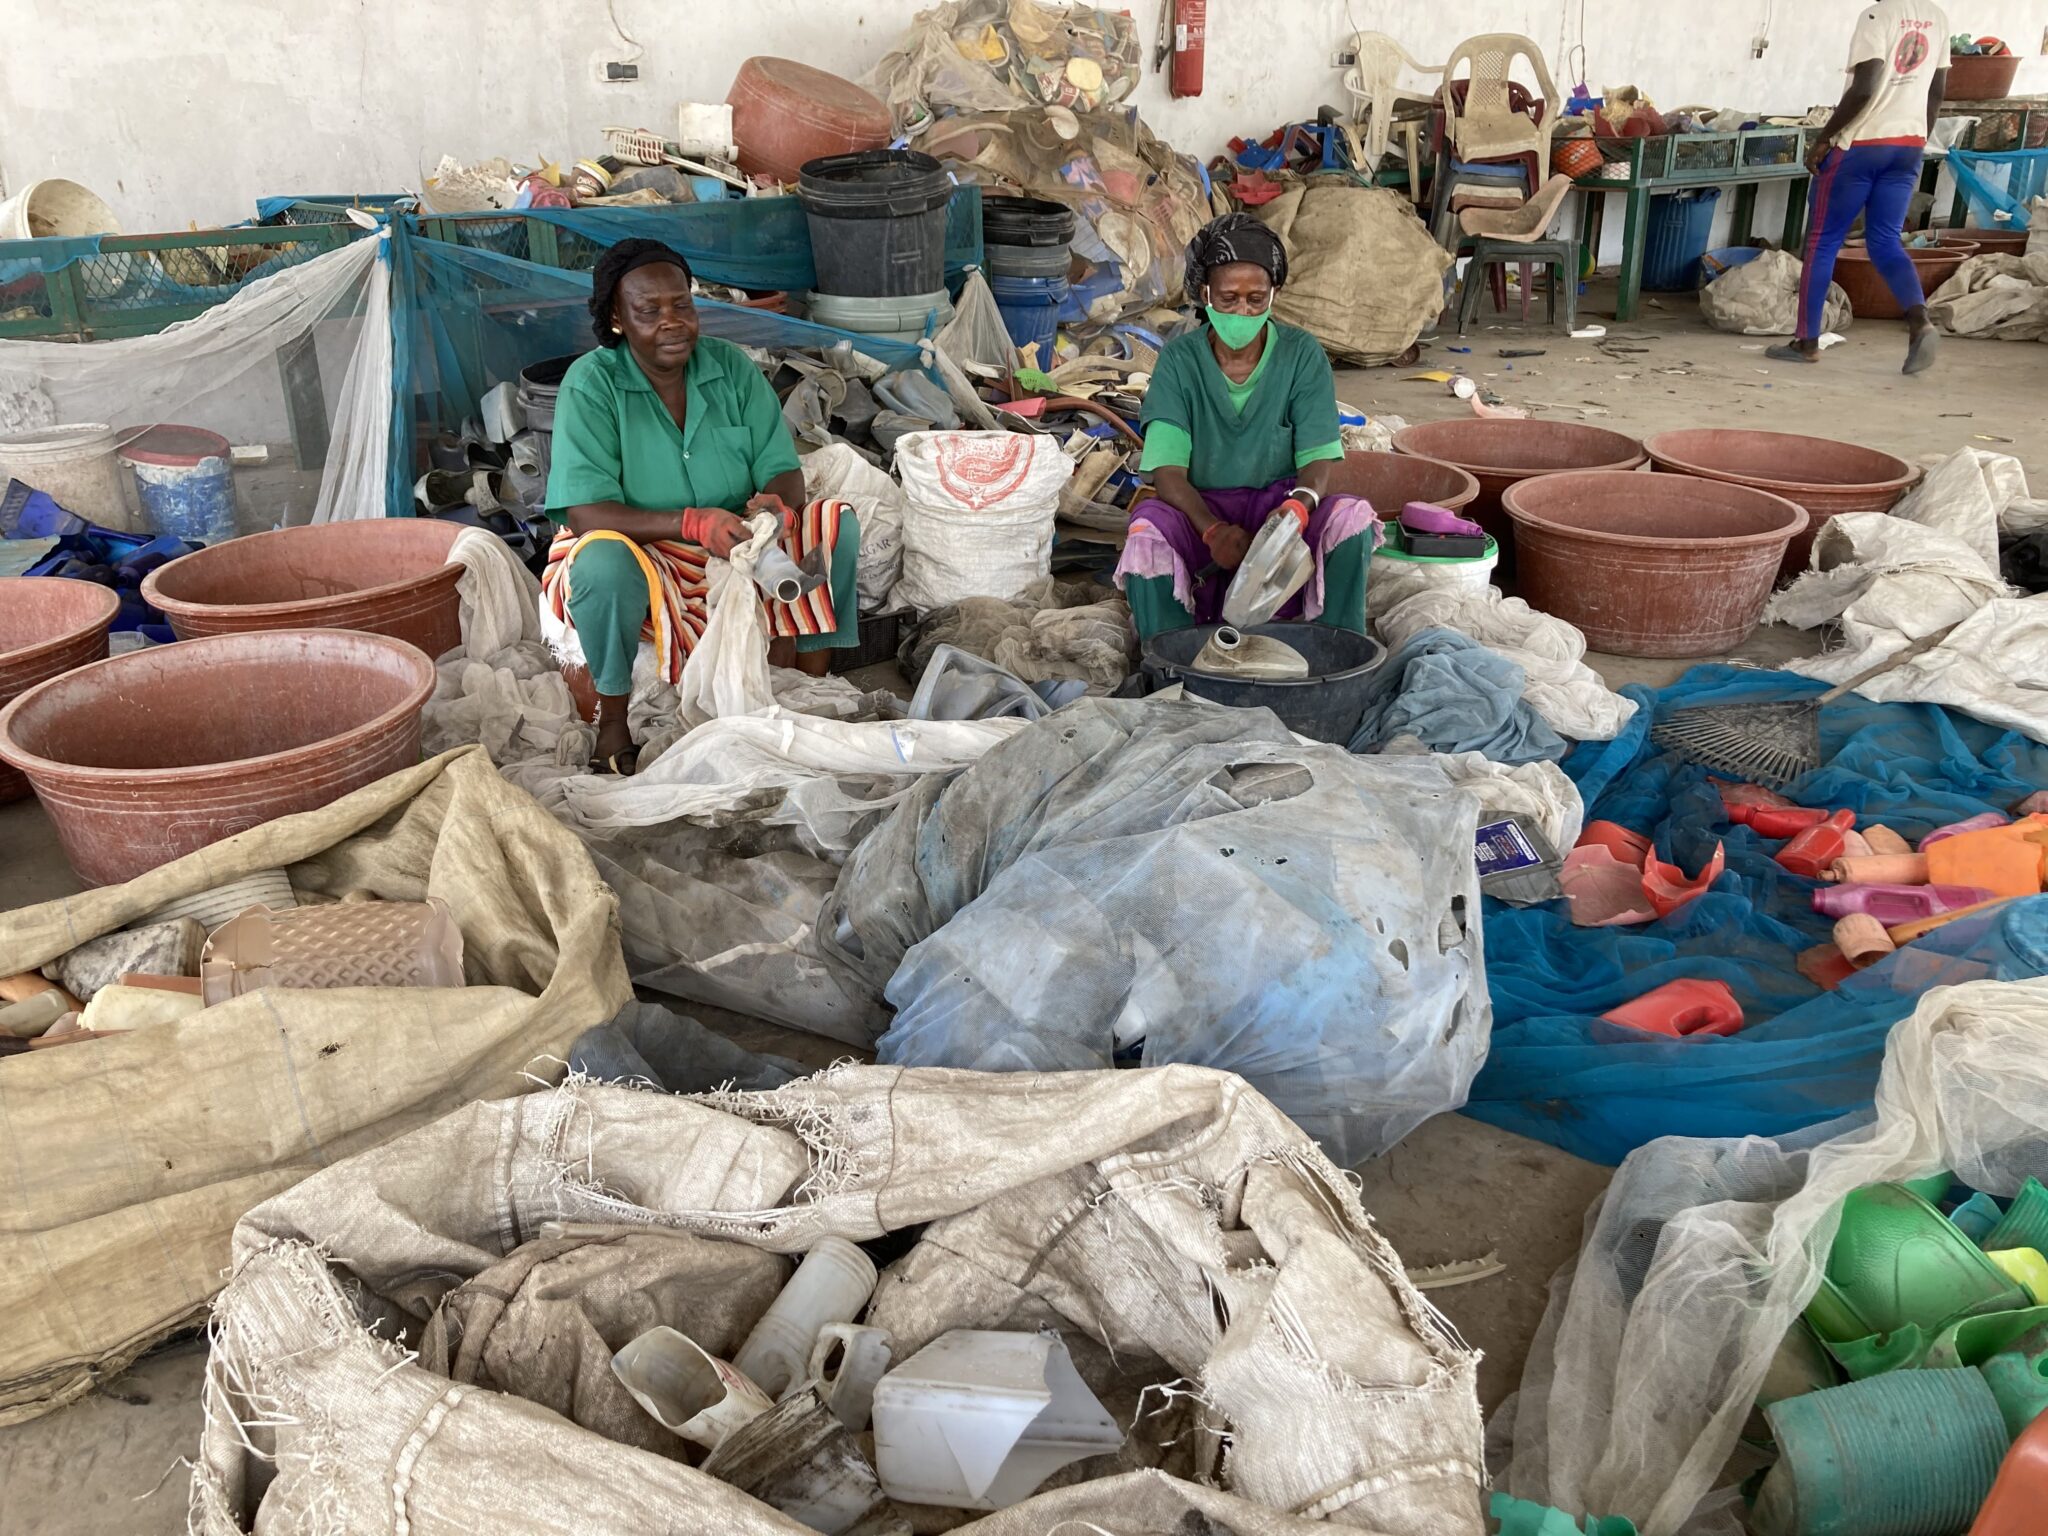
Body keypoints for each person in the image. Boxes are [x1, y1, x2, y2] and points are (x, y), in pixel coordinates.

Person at [541, 239, 861, 773]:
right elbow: (585, 512)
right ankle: (614, 720)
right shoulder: (592, 385)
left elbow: (780, 467)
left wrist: (776, 509)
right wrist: (689, 522)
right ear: (617, 318)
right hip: (641, 546)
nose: (672, 322)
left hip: (732, 538)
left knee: (833, 524)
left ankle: (808, 684)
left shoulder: (731, 369)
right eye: (649, 311)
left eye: (682, 305)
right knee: (600, 561)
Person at [1114, 214, 1377, 643]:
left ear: (1274, 294)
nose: (1242, 311)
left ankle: (1334, 650)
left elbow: (1317, 457)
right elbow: (1167, 474)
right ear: (1205, 294)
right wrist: (1212, 529)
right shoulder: (1180, 361)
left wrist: (1298, 507)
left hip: (1279, 514)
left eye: (1256, 299)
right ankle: (1169, 662)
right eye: (1229, 298)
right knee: (1147, 531)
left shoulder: (1301, 355)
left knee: (1351, 518)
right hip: (1199, 512)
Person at [1770, 1, 1950, 373]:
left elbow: (1864, 88)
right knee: (1885, 241)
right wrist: (1917, 138)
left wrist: (1824, 138)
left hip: (1861, 146)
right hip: (1908, 144)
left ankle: (1806, 341)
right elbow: (1937, 91)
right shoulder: (1938, 18)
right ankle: (1919, 322)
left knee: (1822, 241)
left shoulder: (1875, 17)